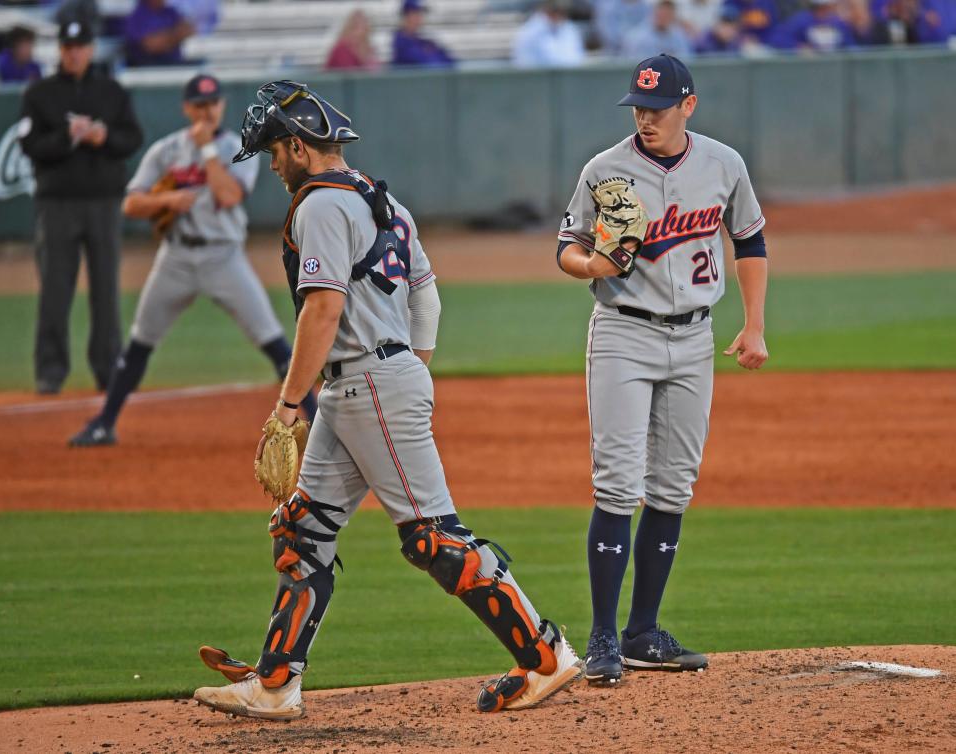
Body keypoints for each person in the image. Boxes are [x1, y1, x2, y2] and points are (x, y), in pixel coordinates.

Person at [191, 80, 582, 719]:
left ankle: (545, 655)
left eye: (274, 152)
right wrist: (409, 369)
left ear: (297, 144)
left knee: (432, 536)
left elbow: (323, 308)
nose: (273, 165)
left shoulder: (319, 204)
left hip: (366, 384)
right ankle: (276, 684)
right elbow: (426, 295)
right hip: (369, 383)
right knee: (303, 531)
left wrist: (289, 406)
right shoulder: (383, 198)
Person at [556, 54, 769, 684]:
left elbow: (750, 242)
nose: (645, 119)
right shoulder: (606, 169)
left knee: (674, 486)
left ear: (689, 106)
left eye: (657, 108)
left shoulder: (724, 164)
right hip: (624, 332)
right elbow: (566, 246)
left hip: (696, 339)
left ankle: (643, 632)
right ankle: (601, 638)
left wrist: (754, 324)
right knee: (618, 483)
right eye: (639, 108)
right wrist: (591, 265)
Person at [68, 74, 314, 447]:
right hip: (176, 258)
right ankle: (104, 423)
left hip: (224, 257)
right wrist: (166, 202)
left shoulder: (240, 147)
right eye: (199, 105)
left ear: (222, 106)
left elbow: (229, 195)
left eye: (213, 103)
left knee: (274, 342)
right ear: (186, 108)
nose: (207, 111)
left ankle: (319, 425)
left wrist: (208, 152)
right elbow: (131, 203)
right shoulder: (166, 151)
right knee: (140, 342)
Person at [19, 20, 143, 395]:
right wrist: (67, 136)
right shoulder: (39, 94)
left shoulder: (111, 91)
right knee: (55, 290)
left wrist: (104, 136)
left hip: (103, 201)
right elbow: (30, 146)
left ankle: (108, 370)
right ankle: (50, 372)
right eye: (68, 46)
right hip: (57, 203)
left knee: (106, 290)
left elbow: (132, 138)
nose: (74, 52)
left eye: (80, 46)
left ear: (90, 49)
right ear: (60, 49)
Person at [512, 0, 586, 68]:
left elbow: (577, 59)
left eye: (563, 11)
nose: (559, 14)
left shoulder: (570, 29)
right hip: (539, 80)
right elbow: (525, 66)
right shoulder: (529, 32)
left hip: (570, 79)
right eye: (555, 10)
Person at [123, 0, 194, 67]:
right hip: (147, 69)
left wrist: (164, 38)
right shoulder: (136, 16)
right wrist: (175, 35)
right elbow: (151, 46)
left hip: (174, 64)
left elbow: (189, 30)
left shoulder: (171, 12)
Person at [620, 0, 694, 60]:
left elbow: (687, 61)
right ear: (654, 12)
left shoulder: (679, 36)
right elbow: (633, 66)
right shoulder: (636, 37)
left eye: (668, 11)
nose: (664, 14)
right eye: (662, 10)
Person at [770, 0, 855, 51]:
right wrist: (799, 47)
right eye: (821, 7)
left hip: (833, 68)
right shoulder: (802, 20)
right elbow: (778, 39)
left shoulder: (838, 22)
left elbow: (849, 45)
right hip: (808, 69)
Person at [392, 0, 455, 67]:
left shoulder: (423, 42)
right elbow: (425, 63)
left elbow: (448, 60)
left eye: (421, 14)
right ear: (406, 16)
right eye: (416, 13)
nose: (420, 18)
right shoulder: (401, 42)